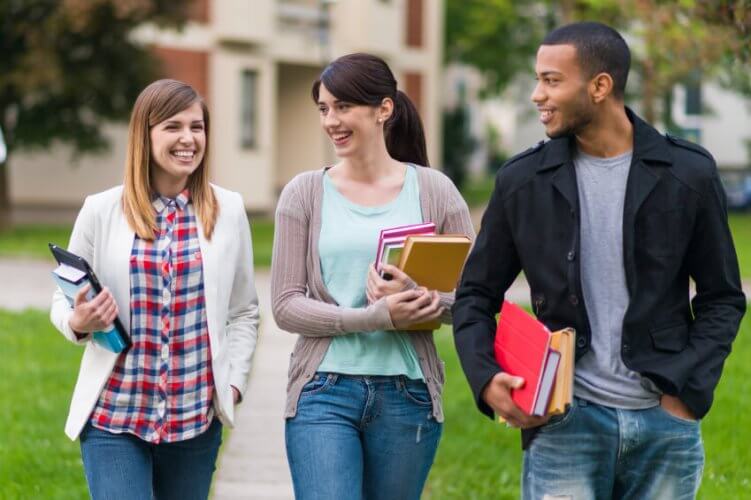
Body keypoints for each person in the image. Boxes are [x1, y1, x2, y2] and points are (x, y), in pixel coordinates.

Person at [453, 21, 746, 499]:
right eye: (537, 79)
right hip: (564, 422)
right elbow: (474, 296)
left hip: (665, 423)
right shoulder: (521, 181)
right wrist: (487, 379)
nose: (536, 95)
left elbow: (723, 299)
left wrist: (685, 395)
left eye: (551, 80)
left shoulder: (688, 173)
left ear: (600, 86)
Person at [271, 52, 474, 500]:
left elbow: (474, 300)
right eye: (324, 109)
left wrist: (421, 298)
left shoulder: (436, 191)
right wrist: (374, 316)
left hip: (408, 395)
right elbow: (285, 304)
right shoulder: (304, 193)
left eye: (344, 107)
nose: (331, 121)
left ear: (384, 109)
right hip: (323, 390)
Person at [50, 79, 260, 500]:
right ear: (144, 135)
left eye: (197, 127)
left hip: (194, 421)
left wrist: (232, 383)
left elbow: (244, 311)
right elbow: (62, 296)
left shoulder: (229, 209)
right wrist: (77, 320)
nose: (188, 139)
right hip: (115, 416)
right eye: (173, 127)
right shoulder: (102, 209)